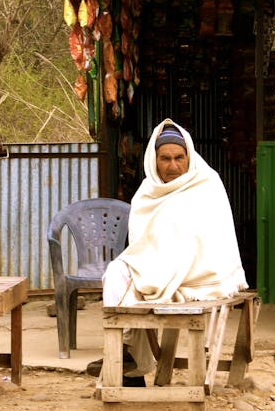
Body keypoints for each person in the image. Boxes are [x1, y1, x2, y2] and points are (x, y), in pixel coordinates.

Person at [98, 119, 248, 385]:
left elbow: (212, 241)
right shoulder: (147, 192)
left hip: (199, 273)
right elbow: (142, 245)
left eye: (179, 157)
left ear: (189, 157)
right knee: (115, 274)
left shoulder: (207, 184)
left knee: (132, 288)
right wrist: (152, 267)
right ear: (153, 160)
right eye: (165, 158)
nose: (173, 166)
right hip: (156, 268)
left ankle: (127, 362)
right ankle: (127, 362)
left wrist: (167, 267)